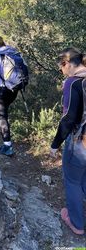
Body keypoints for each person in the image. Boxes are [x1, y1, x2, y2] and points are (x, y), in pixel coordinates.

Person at [50, 47, 86, 235]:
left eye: (61, 68)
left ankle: (77, 224)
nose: (62, 71)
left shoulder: (72, 83)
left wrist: (55, 144)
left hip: (80, 141)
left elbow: (69, 118)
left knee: (72, 180)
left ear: (66, 63)